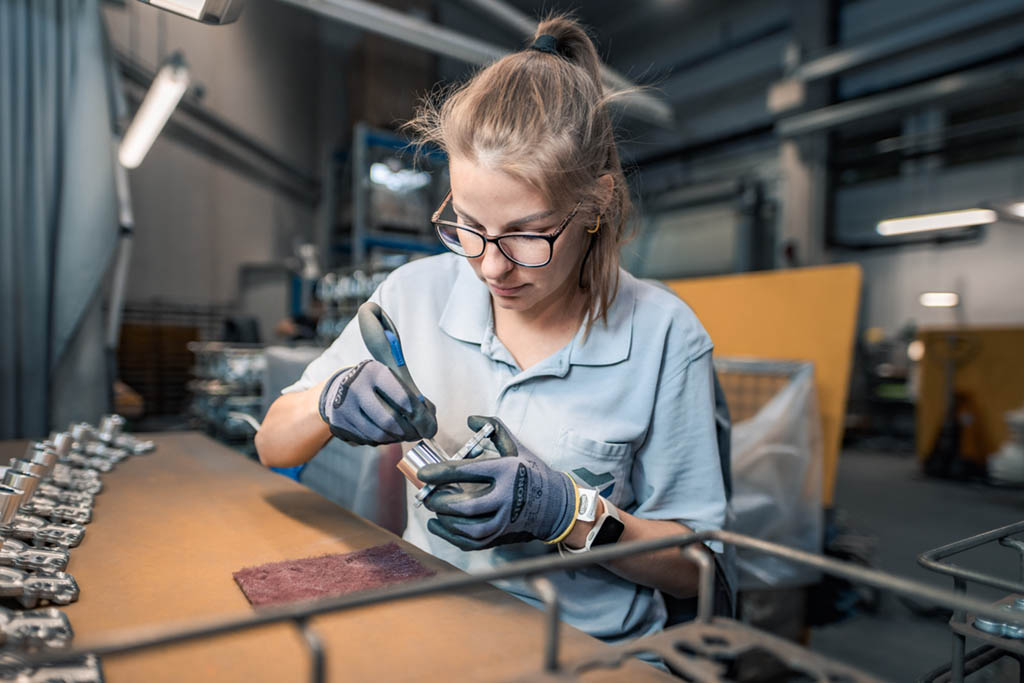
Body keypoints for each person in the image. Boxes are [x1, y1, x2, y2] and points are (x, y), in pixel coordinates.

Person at [256, 14, 727, 645]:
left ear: (597, 204)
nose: (490, 265)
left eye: (528, 236)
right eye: (468, 225)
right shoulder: (415, 293)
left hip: (587, 650)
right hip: (434, 623)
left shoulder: (667, 336)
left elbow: (695, 569)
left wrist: (565, 512)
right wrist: (331, 398)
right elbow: (274, 446)